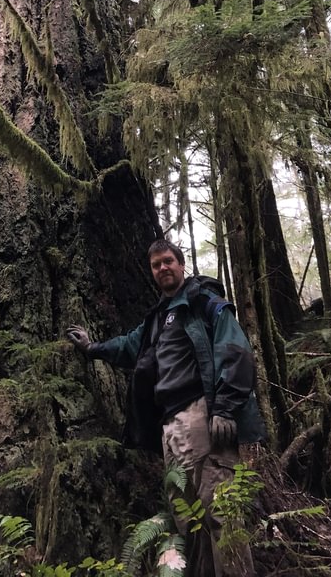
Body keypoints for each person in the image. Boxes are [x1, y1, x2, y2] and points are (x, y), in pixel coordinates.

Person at [67, 239, 265, 577]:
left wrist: (225, 409)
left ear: (181, 263)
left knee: (220, 511)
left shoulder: (204, 302)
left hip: (203, 415)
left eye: (168, 261)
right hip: (170, 427)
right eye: (156, 265)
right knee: (186, 519)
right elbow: (128, 346)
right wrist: (92, 348)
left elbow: (235, 350)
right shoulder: (158, 319)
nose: (163, 268)